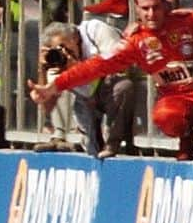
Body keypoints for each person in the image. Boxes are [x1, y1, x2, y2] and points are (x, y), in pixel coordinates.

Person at [30, 0, 193, 160]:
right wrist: (53, 87)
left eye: (156, 7)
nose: (151, 14)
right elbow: (96, 66)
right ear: (136, 9)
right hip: (177, 100)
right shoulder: (135, 42)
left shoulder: (191, 20)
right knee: (166, 116)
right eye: (145, 8)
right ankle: (187, 138)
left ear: (165, 5)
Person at [34, 20, 135, 158]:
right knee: (92, 149)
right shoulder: (58, 61)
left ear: (75, 37)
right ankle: (69, 139)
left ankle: (113, 144)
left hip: (109, 85)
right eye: (56, 49)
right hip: (85, 99)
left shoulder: (96, 31)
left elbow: (120, 66)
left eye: (64, 47)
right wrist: (42, 69)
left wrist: (78, 68)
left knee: (122, 86)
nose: (63, 53)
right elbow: (48, 105)